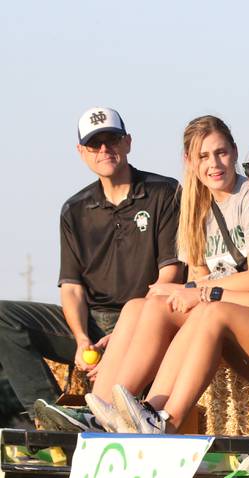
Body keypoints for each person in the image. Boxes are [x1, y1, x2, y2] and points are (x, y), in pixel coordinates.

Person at [86, 134, 249, 434]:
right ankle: (142, 413)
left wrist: (208, 294)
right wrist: (201, 295)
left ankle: (166, 421)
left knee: (212, 312)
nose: (247, 177)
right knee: (162, 307)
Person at [35, 115, 249, 432]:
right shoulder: (195, 205)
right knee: (138, 306)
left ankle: (117, 413)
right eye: (203, 156)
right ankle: (98, 411)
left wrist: (194, 292)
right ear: (189, 161)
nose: (214, 164)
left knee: (155, 303)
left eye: (221, 152)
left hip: (242, 302)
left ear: (235, 152)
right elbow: (197, 272)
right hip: (211, 299)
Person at [0, 107, 181, 428]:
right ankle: (51, 419)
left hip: (145, 319)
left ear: (127, 142)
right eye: (94, 144)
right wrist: (83, 339)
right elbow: (71, 287)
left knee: (142, 313)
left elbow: (171, 276)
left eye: (111, 140)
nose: (104, 150)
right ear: (81, 152)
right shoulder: (75, 208)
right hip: (92, 326)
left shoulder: (164, 192)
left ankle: (84, 420)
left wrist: (122, 336)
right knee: (3, 315)